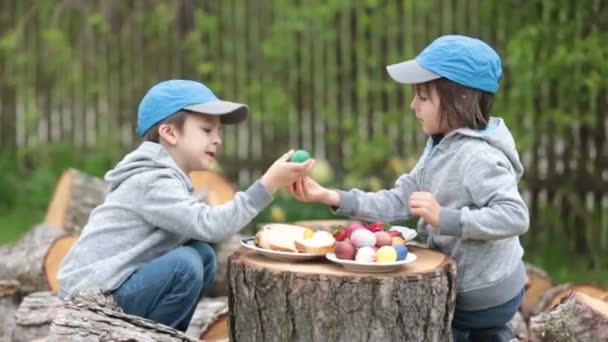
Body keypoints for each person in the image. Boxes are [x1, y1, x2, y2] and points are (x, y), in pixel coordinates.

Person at [288, 35, 528, 341]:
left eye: (423, 97)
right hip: (468, 283)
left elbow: (515, 216)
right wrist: (332, 196)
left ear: (461, 100)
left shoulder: (479, 157)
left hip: (482, 292)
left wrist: (446, 218)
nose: (413, 105)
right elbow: (402, 199)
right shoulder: (442, 144)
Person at [58, 79, 314, 331]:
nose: (218, 140)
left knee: (202, 256)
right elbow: (210, 225)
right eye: (206, 130)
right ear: (169, 132)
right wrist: (267, 185)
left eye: (218, 131)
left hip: (114, 289)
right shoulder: (151, 181)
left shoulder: (165, 176)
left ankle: (159, 336)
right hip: (92, 304)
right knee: (186, 265)